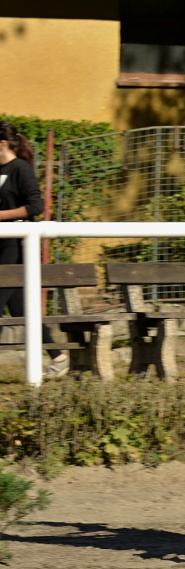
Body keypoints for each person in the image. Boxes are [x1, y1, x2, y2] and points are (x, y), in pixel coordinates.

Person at [0, 121, 69, 377]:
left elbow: (35, 207)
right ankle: (59, 357)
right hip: (2, 243)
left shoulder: (20, 169)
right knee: (21, 309)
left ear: (2, 144)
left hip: (16, 246)